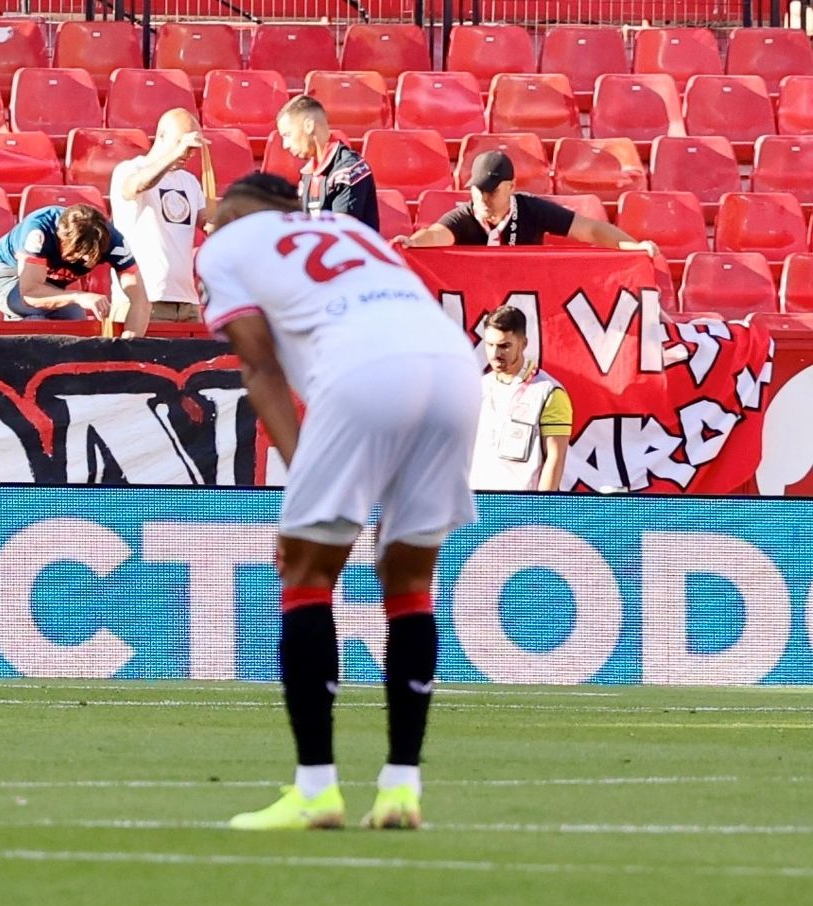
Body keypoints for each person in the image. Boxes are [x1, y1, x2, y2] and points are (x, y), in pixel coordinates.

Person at [196, 173, 479, 831]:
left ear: (238, 208)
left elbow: (260, 368)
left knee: (306, 572)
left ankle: (316, 788)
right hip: (455, 368)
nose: (208, 228)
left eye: (215, 217)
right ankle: (401, 786)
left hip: (363, 369)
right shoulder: (351, 229)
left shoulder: (227, 244)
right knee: (409, 581)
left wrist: (307, 481)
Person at [395, 151, 660, 254]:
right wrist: (412, 242)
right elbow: (436, 234)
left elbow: (589, 230)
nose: (483, 198)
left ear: (511, 187)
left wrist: (633, 247)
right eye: (477, 190)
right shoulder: (465, 216)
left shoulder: (531, 210)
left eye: (491, 191)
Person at [0, 204, 151, 336]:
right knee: (39, 321)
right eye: (79, 256)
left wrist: (131, 345)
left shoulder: (114, 242)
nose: (87, 262)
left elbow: (141, 301)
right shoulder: (38, 231)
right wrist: (79, 296)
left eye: (93, 257)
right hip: (4, 274)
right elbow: (30, 293)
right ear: (61, 238)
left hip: (44, 282)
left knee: (74, 317)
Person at [109, 107, 210, 325]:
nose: (188, 153)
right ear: (162, 136)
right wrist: (176, 152)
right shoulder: (129, 169)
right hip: (144, 300)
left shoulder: (189, 181)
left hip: (186, 302)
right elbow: (135, 186)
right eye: (180, 143)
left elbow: (207, 222)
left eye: (191, 148)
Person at [471, 305, 574, 492]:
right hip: (481, 507)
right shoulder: (477, 388)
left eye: (504, 346)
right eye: (489, 345)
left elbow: (555, 459)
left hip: (523, 510)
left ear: (523, 343)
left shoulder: (549, 392)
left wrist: (540, 511)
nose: (495, 354)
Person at [276, 95, 379, 230]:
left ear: (308, 126)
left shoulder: (349, 170)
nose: (285, 145)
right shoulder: (308, 174)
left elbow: (341, 234)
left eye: (287, 135)